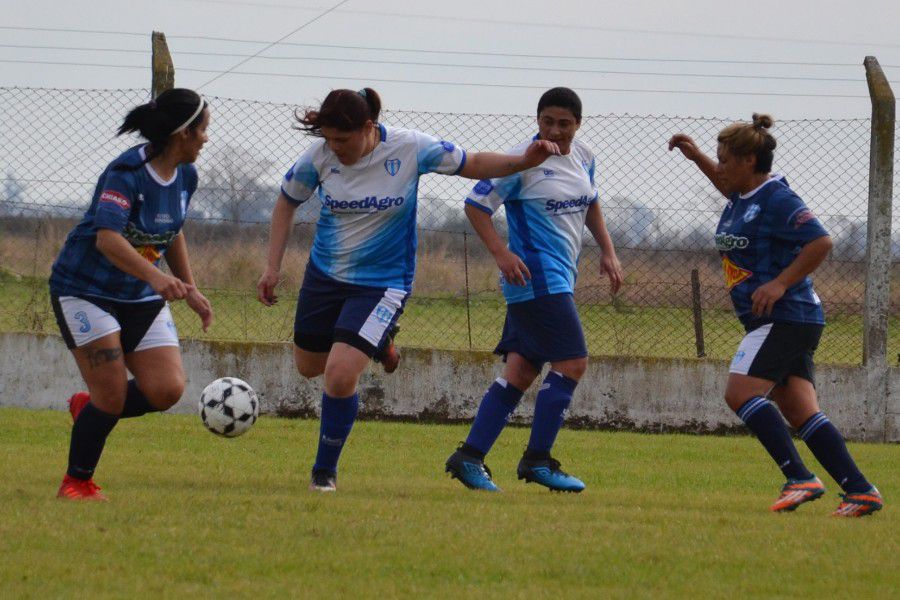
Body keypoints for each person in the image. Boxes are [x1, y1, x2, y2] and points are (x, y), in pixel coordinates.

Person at [257, 87, 560, 492]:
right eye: (328, 139)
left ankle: (323, 472)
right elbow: (285, 203)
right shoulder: (319, 158)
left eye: (342, 140)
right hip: (324, 278)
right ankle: (378, 342)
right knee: (309, 367)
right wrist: (272, 267)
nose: (335, 148)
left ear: (369, 127)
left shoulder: (411, 147)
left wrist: (524, 160)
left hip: (383, 284)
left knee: (339, 374)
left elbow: (473, 163)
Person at [668, 114, 882, 517]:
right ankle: (860, 490)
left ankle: (799, 478)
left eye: (725, 159)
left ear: (750, 160)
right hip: (779, 320)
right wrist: (696, 157)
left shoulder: (778, 198)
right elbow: (726, 185)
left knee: (740, 393)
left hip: (786, 317)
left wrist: (780, 283)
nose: (721, 166)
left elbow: (820, 241)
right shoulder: (742, 198)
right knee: (801, 412)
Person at [444, 87, 623, 493]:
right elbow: (476, 205)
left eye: (565, 124)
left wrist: (608, 251)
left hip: (559, 279)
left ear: (578, 124)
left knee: (521, 371)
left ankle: (469, 457)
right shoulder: (521, 161)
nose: (555, 131)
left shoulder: (584, 156)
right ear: (537, 120)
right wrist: (501, 254)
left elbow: (591, 201)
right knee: (573, 363)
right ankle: (537, 460)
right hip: (536, 278)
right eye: (548, 122)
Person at [51, 88, 213, 501]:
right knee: (112, 395)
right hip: (85, 291)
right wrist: (158, 280)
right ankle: (76, 483)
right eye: (203, 130)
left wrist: (188, 287)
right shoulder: (126, 172)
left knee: (166, 390)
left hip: (138, 294)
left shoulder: (186, 176)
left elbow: (171, 230)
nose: (206, 139)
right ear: (183, 133)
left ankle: (89, 409)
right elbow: (107, 239)